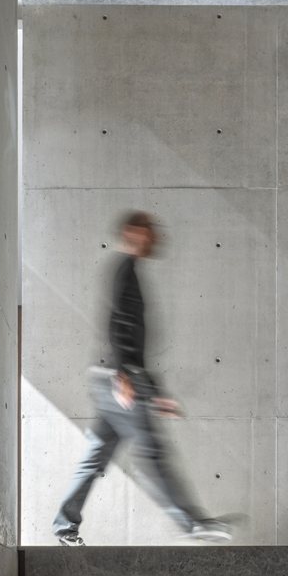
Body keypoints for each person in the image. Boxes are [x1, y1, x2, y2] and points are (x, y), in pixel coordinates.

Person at [52, 211, 232, 546]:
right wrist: (122, 375)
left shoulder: (129, 270)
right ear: (134, 232)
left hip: (111, 378)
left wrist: (154, 392)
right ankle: (193, 525)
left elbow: (132, 343)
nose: (157, 237)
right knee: (151, 452)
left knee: (96, 456)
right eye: (151, 231)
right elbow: (117, 323)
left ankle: (64, 527)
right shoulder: (125, 269)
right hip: (116, 379)